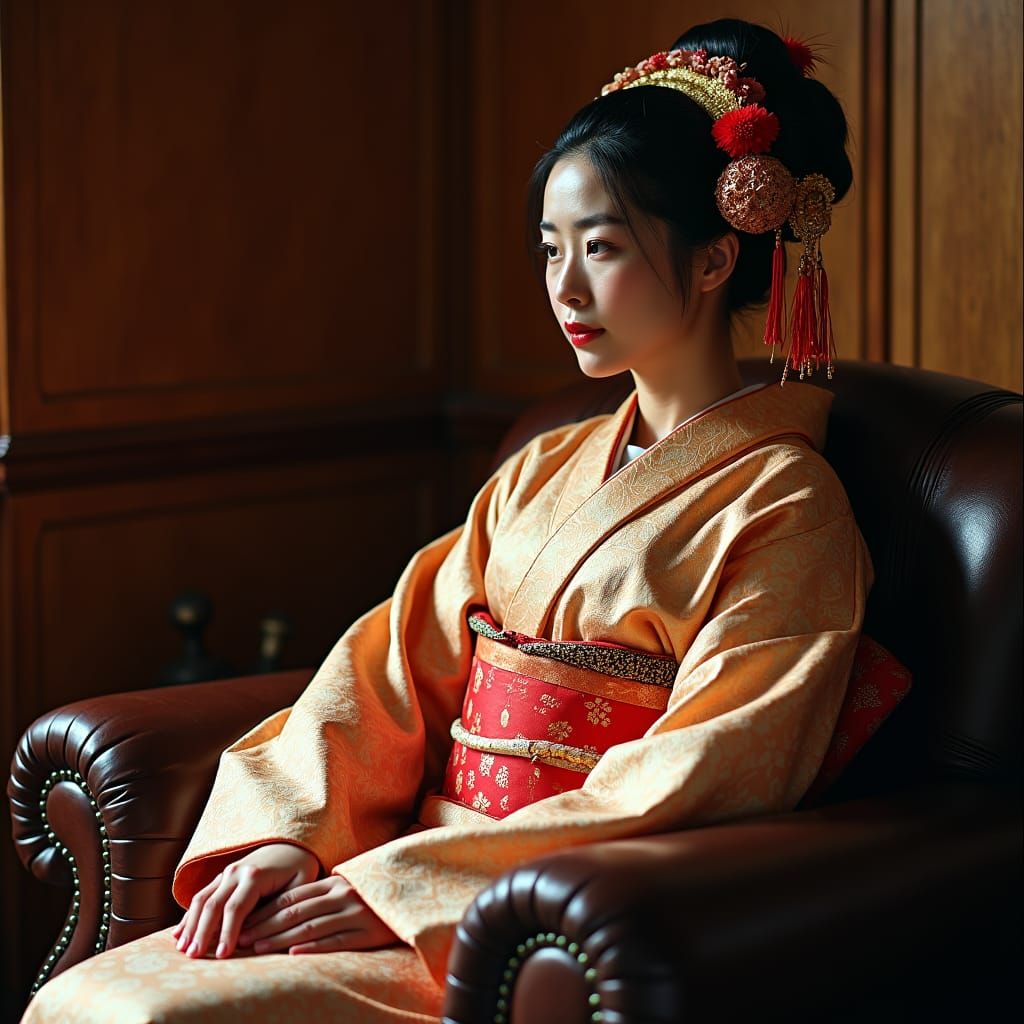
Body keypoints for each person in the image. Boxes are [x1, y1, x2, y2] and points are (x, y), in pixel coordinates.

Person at [23, 17, 871, 1023]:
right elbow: (388, 665)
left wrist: (407, 890)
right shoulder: (545, 466)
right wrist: (293, 838)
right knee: (90, 1000)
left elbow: (704, 776)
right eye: (550, 247)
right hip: (406, 869)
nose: (563, 287)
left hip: (519, 919)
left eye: (601, 247)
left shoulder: (785, 503)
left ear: (716, 257)